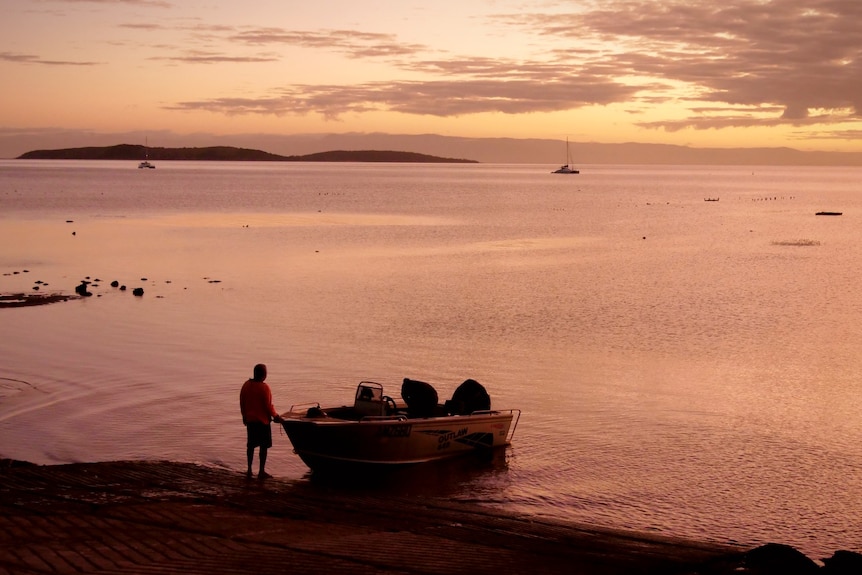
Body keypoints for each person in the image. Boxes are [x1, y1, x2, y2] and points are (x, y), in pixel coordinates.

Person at [239, 363, 282, 479]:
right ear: (264, 375)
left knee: (251, 446)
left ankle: (249, 470)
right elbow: (268, 406)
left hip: (251, 421)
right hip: (262, 422)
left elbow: (242, 402)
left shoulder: (246, 385)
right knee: (263, 447)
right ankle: (261, 471)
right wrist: (276, 416)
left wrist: (244, 416)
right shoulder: (264, 388)